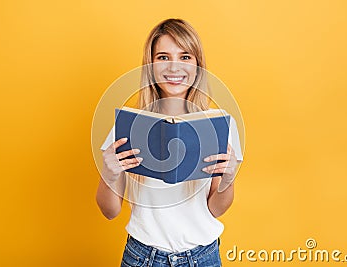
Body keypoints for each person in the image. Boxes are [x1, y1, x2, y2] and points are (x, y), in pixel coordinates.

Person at [96, 18, 243, 267]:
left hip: (203, 257)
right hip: (142, 257)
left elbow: (215, 209)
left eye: (185, 56)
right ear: (151, 65)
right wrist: (109, 176)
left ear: (198, 66)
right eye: (163, 57)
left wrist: (228, 181)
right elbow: (110, 211)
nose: (174, 67)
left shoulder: (218, 126)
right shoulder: (127, 126)